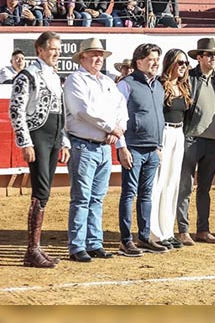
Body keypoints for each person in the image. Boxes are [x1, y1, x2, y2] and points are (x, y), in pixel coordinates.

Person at [63, 38, 128, 262]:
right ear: (82, 57)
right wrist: (111, 127)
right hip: (83, 144)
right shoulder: (75, 80)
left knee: (97, 198)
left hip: (103, 147)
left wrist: (116, 130)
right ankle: (77, 245)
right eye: (93, 54)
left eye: (100, 54)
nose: (98, 58)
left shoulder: (107, 82)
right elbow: (83, 111)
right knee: (81, 198)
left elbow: (121, 108)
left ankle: (94, 242)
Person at [9, 31, 70, 268]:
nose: (57, 53)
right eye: (53, 48)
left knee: (43, 191)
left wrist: (63, 140)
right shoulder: (27, 75)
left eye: (59, 49)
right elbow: (17, 110)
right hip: (38, 137)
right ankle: (32, 250)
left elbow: (61, 112)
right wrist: (25, 142)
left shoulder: (55, 76)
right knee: (41, 190)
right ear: (40, 50)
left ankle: (34, 249)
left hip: (53, 136)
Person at [116, 43, 166, 257]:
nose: (155, 63)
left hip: (152, 149)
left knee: (146, 195)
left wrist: (159, 146)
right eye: (151, 59)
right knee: (129, 194)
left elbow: (159, 117)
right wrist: (122, 147)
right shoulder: (126, 85)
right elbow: (118, 117)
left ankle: (144, 237)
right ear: (139, 62)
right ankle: (126, 240)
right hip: (133, 148)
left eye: (156, 59)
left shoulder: (159, 85)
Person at [176, 38, 215, 246]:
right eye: (209, 55)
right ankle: (183, 229)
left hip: (211, 139)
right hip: (190, 138)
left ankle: (203, 229)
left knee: (205, 187)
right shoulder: (189, 78)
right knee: (185, 187)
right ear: (199, 58)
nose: (213, 58)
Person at [149, 49, 192, 250]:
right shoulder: (159, 85)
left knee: (173, 183)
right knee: (159, 183)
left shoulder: (183, 87)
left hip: (178, 134)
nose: (184, 66)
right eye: (180, 62)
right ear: (170, 64)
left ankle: (167, 231)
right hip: (164, 133)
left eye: (185, 63)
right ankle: (154, 233)